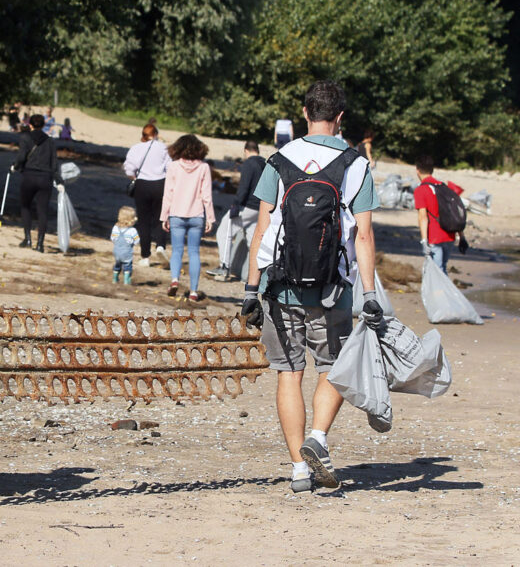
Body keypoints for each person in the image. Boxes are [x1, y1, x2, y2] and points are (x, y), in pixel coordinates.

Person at [242, 80, 381, 493]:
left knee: (289, 373)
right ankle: (318, 438)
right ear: (340, 118)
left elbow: (262, 229)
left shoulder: (279, 159)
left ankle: (298, 469)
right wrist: (370, 294)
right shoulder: (357, 165)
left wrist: (251, 289)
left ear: (304, 113)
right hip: (332, 287)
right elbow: (364, 236)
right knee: (333, 367)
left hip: (279, 283)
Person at [160, 134, 215, 302]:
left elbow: (168, 193)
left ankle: (175, 279)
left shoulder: (173, 166)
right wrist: (210, 218)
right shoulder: (204, 167)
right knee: (194, 253)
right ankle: (193, 291)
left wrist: (164, 216)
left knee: (176, 251)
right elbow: (207, 195)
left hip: (176, 213)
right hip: (197, 215)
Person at [208, 140, 265, 281]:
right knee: (253, 241)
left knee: (224, 231)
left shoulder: (248, 164)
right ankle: (255, 274)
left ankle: (224, 267)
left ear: (246, 151)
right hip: (260, 208)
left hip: (246, 206)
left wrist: (235, 204)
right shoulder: (265, 164)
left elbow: (244, 187)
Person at [124, 124, 170, 266]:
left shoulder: (136, 148)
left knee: (144, 221)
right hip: (160, 184)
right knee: (160, 218)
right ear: (156, 134)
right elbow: (170, 168)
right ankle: (161, 245)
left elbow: (129, 170)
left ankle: (145, 256)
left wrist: (134, 178)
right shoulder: (164, 148)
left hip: (142, 184)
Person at [12, 114, 60, 252]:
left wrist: (15, 166)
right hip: (45, 178)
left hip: (29, 176)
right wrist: (58, 179)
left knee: (25, 206)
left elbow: (21, 157)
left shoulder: (25, 138)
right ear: (44, 125)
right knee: (42, 211)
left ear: (30, 125)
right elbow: (54, 163)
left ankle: (27, 238)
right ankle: (40, 243)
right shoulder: (50, 141)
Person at [413, 155, 464, 273]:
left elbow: (423, 217)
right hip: (450, 234)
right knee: (442, 268)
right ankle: (442, 290)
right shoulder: (443, 186)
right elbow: (454, 212)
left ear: (417, 170)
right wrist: (461, 236)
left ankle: (440, 291)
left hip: (435, 236)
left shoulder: (421, 190)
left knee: (437, 271)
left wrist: (424, 241)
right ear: (432, 169)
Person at [110, 206, 140, 285]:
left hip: (117, 251)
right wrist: (133, 243)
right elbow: (137, 241)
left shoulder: (115, 228)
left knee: (117, 264)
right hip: (127, 252)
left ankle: (115, 278)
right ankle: (126, 280)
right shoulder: (132, 230)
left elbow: (112, 238)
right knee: (127, 266)